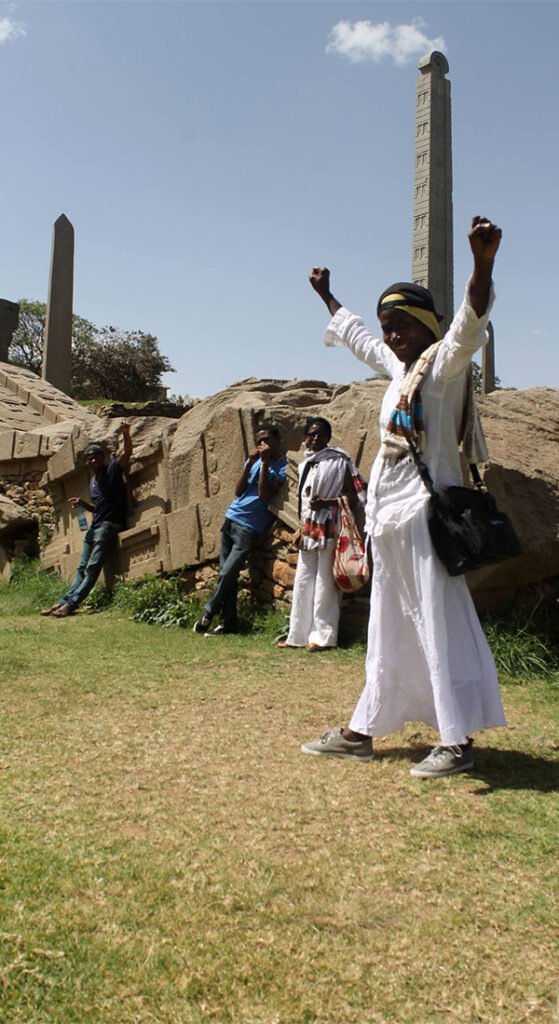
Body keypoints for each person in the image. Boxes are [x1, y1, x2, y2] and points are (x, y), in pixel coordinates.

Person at [301, 216, 506, 778]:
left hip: (424, 517)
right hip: (386, 519)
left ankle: (456, 739)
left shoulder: (441, 366)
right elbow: (361, 339)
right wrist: (328, 297)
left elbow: (468, 322)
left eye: (401, 326)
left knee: (438, 622)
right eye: (388, 326)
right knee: (387, 624)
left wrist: (482, 264)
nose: (391, 335)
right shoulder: (400, 367)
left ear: (423, 327)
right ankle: (362, 731)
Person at [278, 416, 366, 651]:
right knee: (304, 579)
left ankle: (323, 636)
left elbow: (353, 496)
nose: (315, 438)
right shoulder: (306, 463)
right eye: (311, 434)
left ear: (328, 438)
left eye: (320, 434)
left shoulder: (339, 461)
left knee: (325, 581)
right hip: (309, 528)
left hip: (329, 526)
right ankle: (297, 635)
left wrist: (326, 502)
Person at [193, 423, 287, 637]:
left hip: (250, 527)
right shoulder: (254, 462)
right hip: (231, 519)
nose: (262, 444)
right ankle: (229, 622)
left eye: (267, 440)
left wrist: (264, 463)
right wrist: (250, 464)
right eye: (259, 441)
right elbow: (238, 491)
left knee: (227, 572)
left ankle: (209, 612)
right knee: (229, 575)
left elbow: (264, 495)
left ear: (278, 440)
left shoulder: (282, 467)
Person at [41, 422, 133, 618]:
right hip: (95, 527)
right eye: (89, 458)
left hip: (108, 527)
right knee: (82, 568)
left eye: (95, 457)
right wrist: (84, 504)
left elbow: (127, 455)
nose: (92, 461)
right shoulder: (93, 481)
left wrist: (126, 434)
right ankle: (63, 601)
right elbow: (98, 508)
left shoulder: (112, 470)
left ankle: (70, 605)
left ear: (103, 458)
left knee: (92, 568)